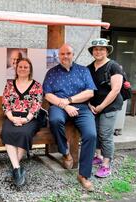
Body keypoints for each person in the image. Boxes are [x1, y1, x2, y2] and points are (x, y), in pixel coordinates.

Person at [43, 44, 97, 191]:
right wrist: (65, 105)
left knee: (91, 135)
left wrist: (70, 101)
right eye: (62, 54)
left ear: (73, 54)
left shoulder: (83, 70)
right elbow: (47, 94)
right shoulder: (52, 72)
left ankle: (83, 175)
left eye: (68, 53)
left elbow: (90, 93)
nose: (65, 56)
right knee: (54, 120)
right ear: (58, 56)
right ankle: (65, 153)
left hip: (81, 107)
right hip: (59, 106)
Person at [1, 58, 43, 186]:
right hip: (12, 116)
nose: (23, 69)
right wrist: (12, 118)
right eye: (20, 66)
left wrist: (25, 119)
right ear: (16, 68)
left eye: (26, 67)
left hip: (30, 117)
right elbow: (5, 103)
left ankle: (15, 166)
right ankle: (17, 168)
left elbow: (37, 105)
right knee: (7, 132)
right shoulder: (9, 84)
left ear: (30, 69)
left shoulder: (37, 85)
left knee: (24, 133)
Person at [87, 38, 123, 178]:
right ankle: (98, 156)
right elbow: (87, 88)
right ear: (92, 52)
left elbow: (116, 90)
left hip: (109, 106)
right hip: (93, 106)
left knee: (105, 134)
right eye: (95, 49)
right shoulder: (89, 67)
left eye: (101, 49)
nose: (98, 51)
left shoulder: (113, 66)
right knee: (95, 132)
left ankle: (106, 164)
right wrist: (89, 104)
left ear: (107, 51)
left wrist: (101, 106)